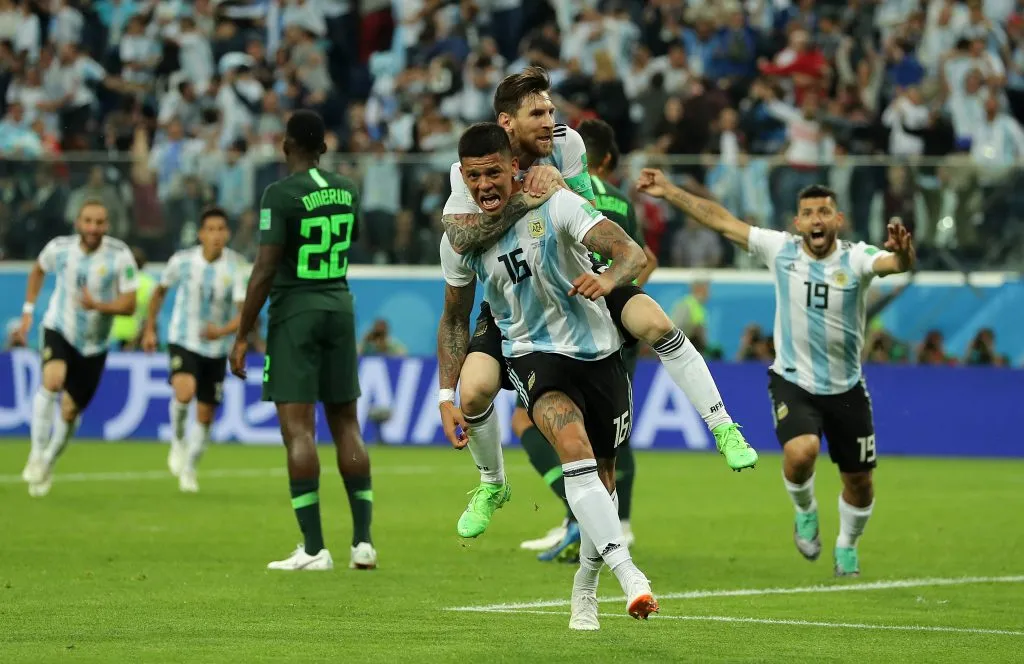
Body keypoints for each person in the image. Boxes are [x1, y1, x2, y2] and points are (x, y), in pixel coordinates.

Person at [440, 66, 757, 542]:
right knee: (475, 389)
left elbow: (585, 218)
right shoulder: (473, 166)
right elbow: (462, 238)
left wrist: (603, 270)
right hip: (514, 293)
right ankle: (492, 484)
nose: (552, 120)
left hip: (579, 276)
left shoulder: (568, 145)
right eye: (538, 113)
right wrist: (523, 202)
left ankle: (723, 426)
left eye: (551, 109)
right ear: (508, 124)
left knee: (655, 322)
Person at [637, 169, 916, 577]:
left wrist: (905, 254)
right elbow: (721, 221)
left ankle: (847, 544)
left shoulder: (855, 258)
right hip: (793, 380)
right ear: (798, 222)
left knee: (860, 483)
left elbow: (893, 263)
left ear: (838, 221)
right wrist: (669, 191)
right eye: (808, 213)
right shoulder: (780, 250)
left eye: (825, 212)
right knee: (801, 453)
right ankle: (805, 511)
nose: (817, 219)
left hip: (846, 387)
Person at [438, 122, 658, 629]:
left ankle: (585, 585)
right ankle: (631, 576)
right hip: (531, 355)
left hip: (596, 350)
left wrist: (606, 280)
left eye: (493, 172)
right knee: (570, 443)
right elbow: (454, 317)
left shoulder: (555, 202)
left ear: (513, 167)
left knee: (603, 481)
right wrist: (444, 393)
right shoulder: (462, 239)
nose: (484, 185)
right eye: (473, 177)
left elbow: (631, 252)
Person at [229, 109, 377, 572]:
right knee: (346, 424)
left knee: (298, 429)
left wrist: (240, 334)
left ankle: (314, 548)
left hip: (296, 311)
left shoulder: (279, 194)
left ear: (284, 144)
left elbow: (266, 267)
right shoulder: (348, 189)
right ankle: (363, 543)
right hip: (339, 305)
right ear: (325, 148)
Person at [516, 118, 655, 559]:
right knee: (612, 432)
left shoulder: (543, 192)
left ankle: (579, 516)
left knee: (539, 423)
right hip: (614, 320)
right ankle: (614, 522)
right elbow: (638, 260)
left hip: (560, 322)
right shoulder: (617, 201)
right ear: (609, 160)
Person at [16, 200, 139, 497]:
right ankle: (36, 452)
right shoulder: (59, 248)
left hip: (95, 343)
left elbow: (130, 304)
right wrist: (28, 309)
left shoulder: (120, 256)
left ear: (107, 225)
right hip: (60, 327)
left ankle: (48, 461)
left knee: (70, 411)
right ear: (78, 223)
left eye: (99, 223)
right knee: (52, 380)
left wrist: (99, 305)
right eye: (88, 221)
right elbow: (37, 270)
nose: (93, 228)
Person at [142, 207, 248, 493]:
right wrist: (150, 328)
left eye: (221, 229)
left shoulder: (236, 267)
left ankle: (189, 468)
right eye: (210, 229)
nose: (216, 235)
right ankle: (177, 441)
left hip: (215, 348)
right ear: (201, 234)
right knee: (184, 392)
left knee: (205, 416)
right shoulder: (182, 261)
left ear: (227, 234)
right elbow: (160, 291)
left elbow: (245, 313)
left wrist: (222, 332)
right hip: (183, 338)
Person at [110, 246, 157, 350]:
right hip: (137, 332)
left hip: (114, 332)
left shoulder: (118, 280)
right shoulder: (150, 282)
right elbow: (152, 309)